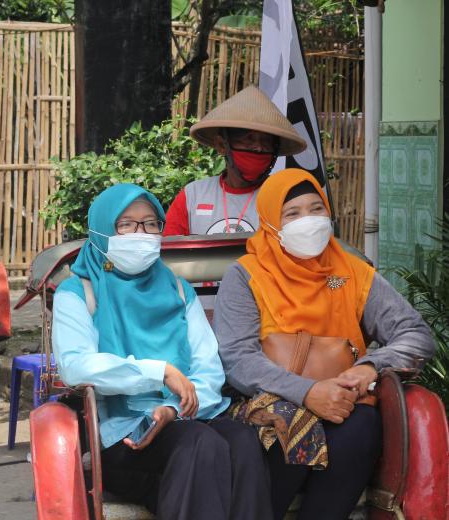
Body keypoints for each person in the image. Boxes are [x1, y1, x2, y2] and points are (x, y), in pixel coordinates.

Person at [213, 168, 436, 519]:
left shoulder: (348, 273)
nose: (308, 220)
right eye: (292, 213)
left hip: (342, 400)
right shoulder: (246, 276)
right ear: (270, 223)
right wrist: (308, 392)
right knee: (294, 426)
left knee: (362, 427)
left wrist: (369, 367)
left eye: (316, 209)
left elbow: (415, 334)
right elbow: (237, 359)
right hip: (270, 400)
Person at [52, 183, 272, 520]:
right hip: (122, 435)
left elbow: (208, 370)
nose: (141, 234)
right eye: (126, 224)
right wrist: (158, 372)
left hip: (187, 415)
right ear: (101, 231)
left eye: (151, 224)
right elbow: (75, 365)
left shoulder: (178, 290)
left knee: (242, 441)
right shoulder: (78, 292)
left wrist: (172, 408)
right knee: (200, 443)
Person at [163, 85, 306, 237]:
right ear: (221, 145)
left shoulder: (285, 198)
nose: (258, 148)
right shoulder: (193, 196)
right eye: (248, 139)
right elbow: (171, 248)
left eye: (266, 141)